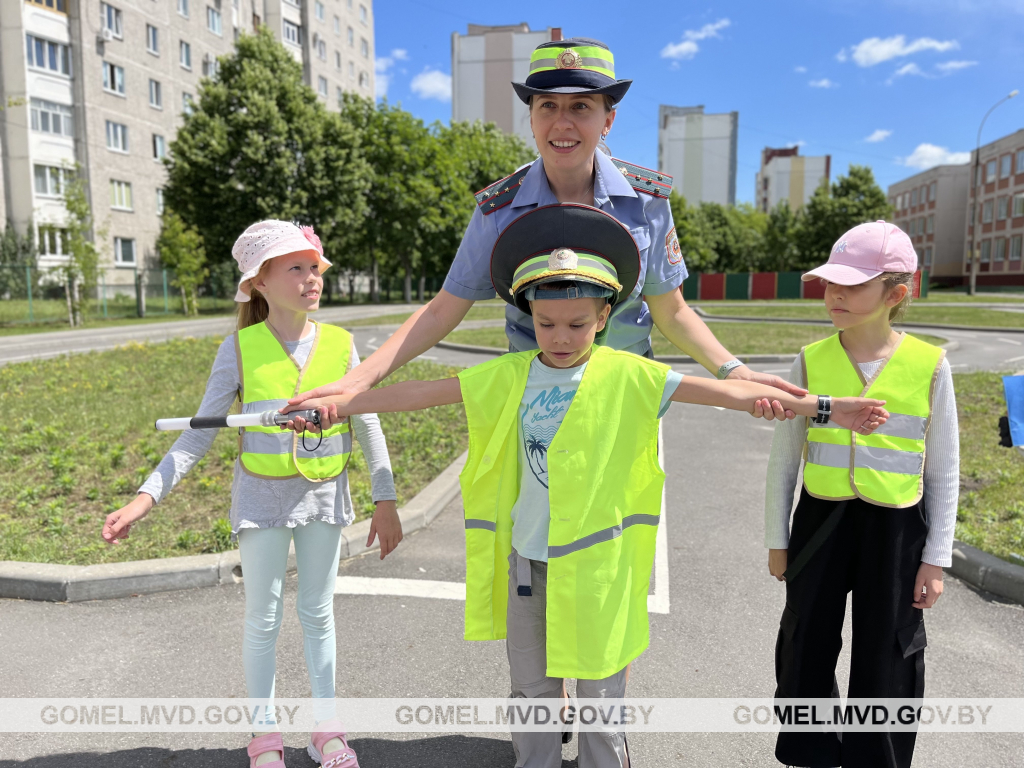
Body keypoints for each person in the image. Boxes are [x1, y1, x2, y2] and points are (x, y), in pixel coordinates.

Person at [287, 206, 889, 768]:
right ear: (529, 318)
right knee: (532, 687)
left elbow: (731, 394)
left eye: (578, 323)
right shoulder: (510, 375)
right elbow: (419, 392)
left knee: (601, 689)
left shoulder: (631, 375)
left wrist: (826, 407)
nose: (561, 336)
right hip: (528, 564)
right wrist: (342, 402)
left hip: (599, 568)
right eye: (546, 322)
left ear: (604, 318)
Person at [287, 36, 804, 424]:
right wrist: (358, 379)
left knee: (616, 537)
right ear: (531, 118)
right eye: (548, 106)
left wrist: (735, 371)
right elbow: (445, 307)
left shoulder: (646, 202)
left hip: (624, 394)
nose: (563, 123)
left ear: (608, 120)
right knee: (534, 542)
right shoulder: (499, 207)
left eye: (581, 107)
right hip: (537, 395)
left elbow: (671, 310)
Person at [101, 220, 402, 768]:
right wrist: (145, 499)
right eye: (297, 268)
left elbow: (369, 423)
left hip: (323, 497)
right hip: (261, 500)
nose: (312, 278)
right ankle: (263, 736)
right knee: (262, 618)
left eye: (315, 268)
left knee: (318, 613)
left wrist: (386, 499)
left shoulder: (340, 344)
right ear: (259, 283)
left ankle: (326, 730)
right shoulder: (239, 349)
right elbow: (198, 431)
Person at [763, 221, 959, 768]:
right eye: (830, 283)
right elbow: (784, 462)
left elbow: (944, 468)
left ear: (896, 293)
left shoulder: (929, 365)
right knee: (807, 643)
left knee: (889, 653)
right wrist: (777, 539)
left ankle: (878, 758)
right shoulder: (810, 359)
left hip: (896, 530)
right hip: (820, 522)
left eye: (852, 286)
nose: (834, 295)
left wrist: (935, 560)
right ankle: (811, 751)